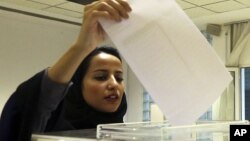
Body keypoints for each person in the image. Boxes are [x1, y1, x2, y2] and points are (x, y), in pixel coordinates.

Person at [0, 0, 132, 141]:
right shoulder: (51, 131)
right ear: (78, 85)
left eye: (119, 78)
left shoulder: (126, 135)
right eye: (100, 77)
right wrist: (81, 47)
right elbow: (32, 103)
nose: (114, 84)